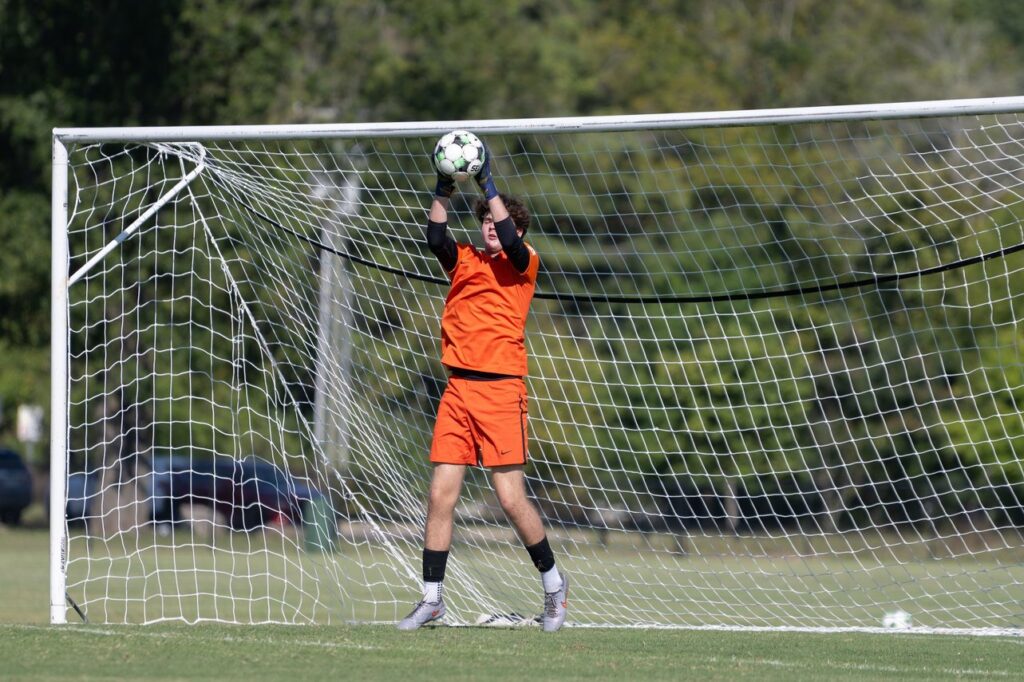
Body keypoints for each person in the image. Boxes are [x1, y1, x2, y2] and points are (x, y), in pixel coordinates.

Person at [397, 141, 569, 632]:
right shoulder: (465, 259)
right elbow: (435, 237)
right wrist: (443, 189)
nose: (491, 227)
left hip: (501, 391)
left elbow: (511, 242)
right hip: (458, 392)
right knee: (440, 496)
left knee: (510, 499)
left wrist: (487, 182)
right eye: (486, 221)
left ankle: (554, 585)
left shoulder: (523, 261)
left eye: (498, 221)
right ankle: (432, 598)